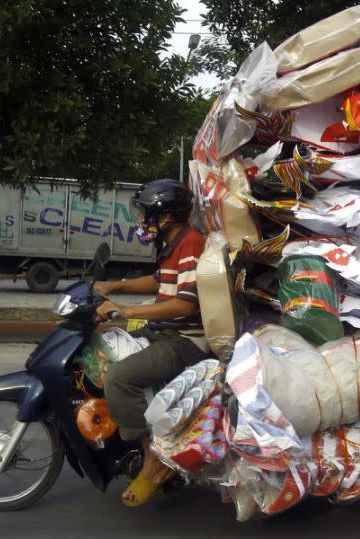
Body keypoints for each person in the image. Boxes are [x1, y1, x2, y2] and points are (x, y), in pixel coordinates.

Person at [92, 179, 208, 506]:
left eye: (147, 216)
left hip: (186, 340)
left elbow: (186, 304)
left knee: (118, 377)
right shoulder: (174, 244)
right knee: (102, 348)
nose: (143, 223)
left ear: (166, 217)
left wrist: (126, 310)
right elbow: (159, 281)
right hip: (163, 330)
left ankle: (152, 455)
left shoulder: (191, 244)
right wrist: (115, 286)